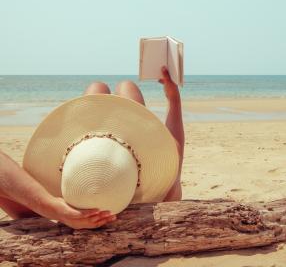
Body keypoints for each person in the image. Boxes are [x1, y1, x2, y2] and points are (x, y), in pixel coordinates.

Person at [0, 66, 184, 229]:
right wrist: (173, 99)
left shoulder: (34, 214)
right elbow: (174, 153)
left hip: (65, 206)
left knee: (97, 88)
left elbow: (175, 152)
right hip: (127, 186)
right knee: (126, 86)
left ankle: (102, 107)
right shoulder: (161, 198)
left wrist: (54, 208)